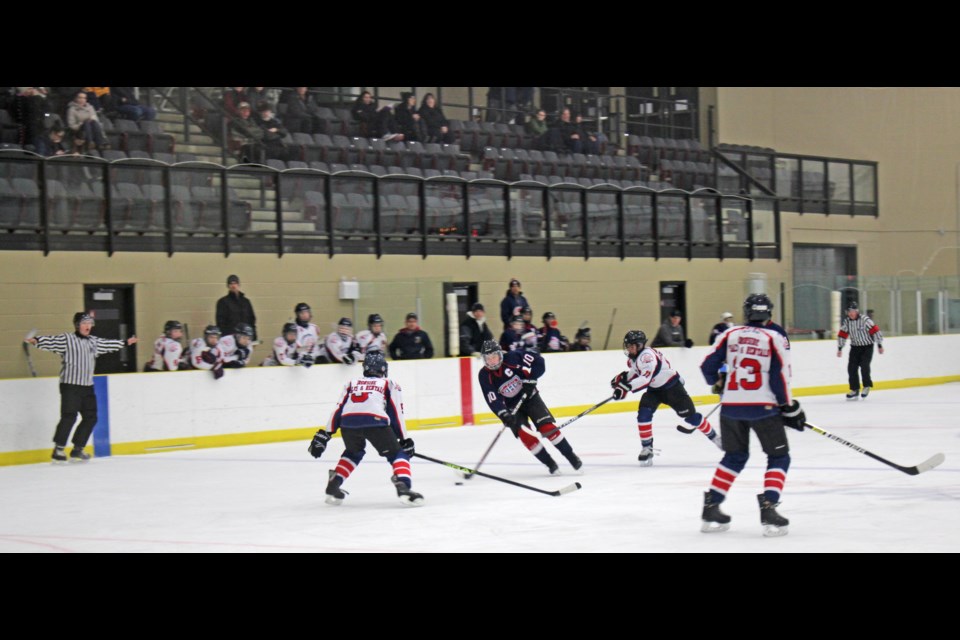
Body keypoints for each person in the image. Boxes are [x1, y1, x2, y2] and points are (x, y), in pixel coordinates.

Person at [699, 293, 805, 537]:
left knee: (735, 456)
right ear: (769, 313)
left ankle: (711, 506)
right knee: (779, 457)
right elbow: (780, 376)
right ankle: (769, 506)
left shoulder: (729, 333)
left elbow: (706, 367)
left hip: (731, 408)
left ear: (747, 313)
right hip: (763, 409)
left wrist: (717, 382)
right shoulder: (774, 337)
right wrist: (789, 407)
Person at [308, 351, 422, 506]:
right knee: (398, 454)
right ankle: (403, 486)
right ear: (383, 368)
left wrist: (325, 434)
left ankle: (335, 481)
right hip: (375, 421)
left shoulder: (351, 383)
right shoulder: (389, 383)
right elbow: (396, 412)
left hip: (348, 423)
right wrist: (404, 439)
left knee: (353, 453)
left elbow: (338, 409)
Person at [24, 312, 138, 462]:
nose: (88, 326)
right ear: (77, 325)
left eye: (90, 323)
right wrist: (36, 340)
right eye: (85, 323)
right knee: (69, 416)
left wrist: (126, 342)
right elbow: (51, 341)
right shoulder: (67, 339)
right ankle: (58, 449)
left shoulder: (93, 342)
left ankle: (78, 448)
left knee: (91, 417)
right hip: (70, 385)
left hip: (87, 386)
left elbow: (107, 344)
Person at [611, 330, 720, 466]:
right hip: (655, 390)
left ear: (640, 345)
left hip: (672, 388)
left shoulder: (647, 357)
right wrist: (622, 380)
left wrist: (625, 387)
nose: (629, 348)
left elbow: (645, 378)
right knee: (643, 414)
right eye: (628, 345)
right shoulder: (634, 358)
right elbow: (635, 372)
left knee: (692, 418)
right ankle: (647, 448)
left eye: (632, 345)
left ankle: (715, 437)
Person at [478, 340, 582, 475]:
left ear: (500, 354)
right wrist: (503, 414)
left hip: (531, 397)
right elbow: (492, 398)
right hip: (512, 408)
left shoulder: (513, 357)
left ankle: (571, 456)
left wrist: (532, 378)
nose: (491, 361)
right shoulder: (484, 375)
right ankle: (550, 464)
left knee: (547, 428)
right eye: (488, 358)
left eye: (494, 357)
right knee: (526, 435)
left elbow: (539, 361)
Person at [837, 301, 884, 399]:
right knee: (851, 368)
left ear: (857, 311)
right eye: (848, 311)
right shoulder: (847, 322)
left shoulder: (865, 320)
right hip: (855, 347)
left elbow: (875, 331)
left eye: (852, 311)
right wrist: (840, 348)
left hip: (867, 347)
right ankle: (855, 389)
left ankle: (866, 386)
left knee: (864, 366)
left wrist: (879, 345)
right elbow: (842, 334)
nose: (850, 313)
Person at [216, 274, 257, 341]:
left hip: (245, 337)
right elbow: (220, 323)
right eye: (231, 283)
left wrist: (254, 336)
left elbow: (252, 320)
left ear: (238, 285)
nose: (233, 286)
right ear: (228, 286)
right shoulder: (222, 302)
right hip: (230, 338)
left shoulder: (246, 302)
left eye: (235, 283)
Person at [290, 302, 321, 367]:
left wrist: (314, 356)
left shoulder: (314, 328)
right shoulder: (293, 329)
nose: (305, 315)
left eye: (306, 312)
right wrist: (305, 356)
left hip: (311, 357)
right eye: (302, 313)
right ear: (297, 315)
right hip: (299, 357)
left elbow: (315, 346)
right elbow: (297, 349)